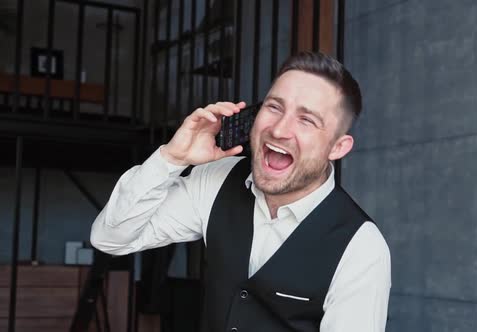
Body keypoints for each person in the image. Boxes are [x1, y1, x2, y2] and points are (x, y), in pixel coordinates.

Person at [91, 52, 391, 332]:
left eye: (306, 119)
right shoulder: (217, 179)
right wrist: (171, 157)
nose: (279, 129)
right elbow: (111, 238)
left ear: (338, 147)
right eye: (274, 107)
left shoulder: (361, 248)